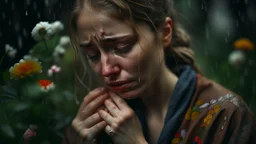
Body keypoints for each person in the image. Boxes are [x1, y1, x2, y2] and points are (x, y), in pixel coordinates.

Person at [62, 0, 256, 144]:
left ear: (164, 33)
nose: (106, 70)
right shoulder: (96, 122)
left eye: (122, 47)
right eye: (92, 55)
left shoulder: (226, 116)